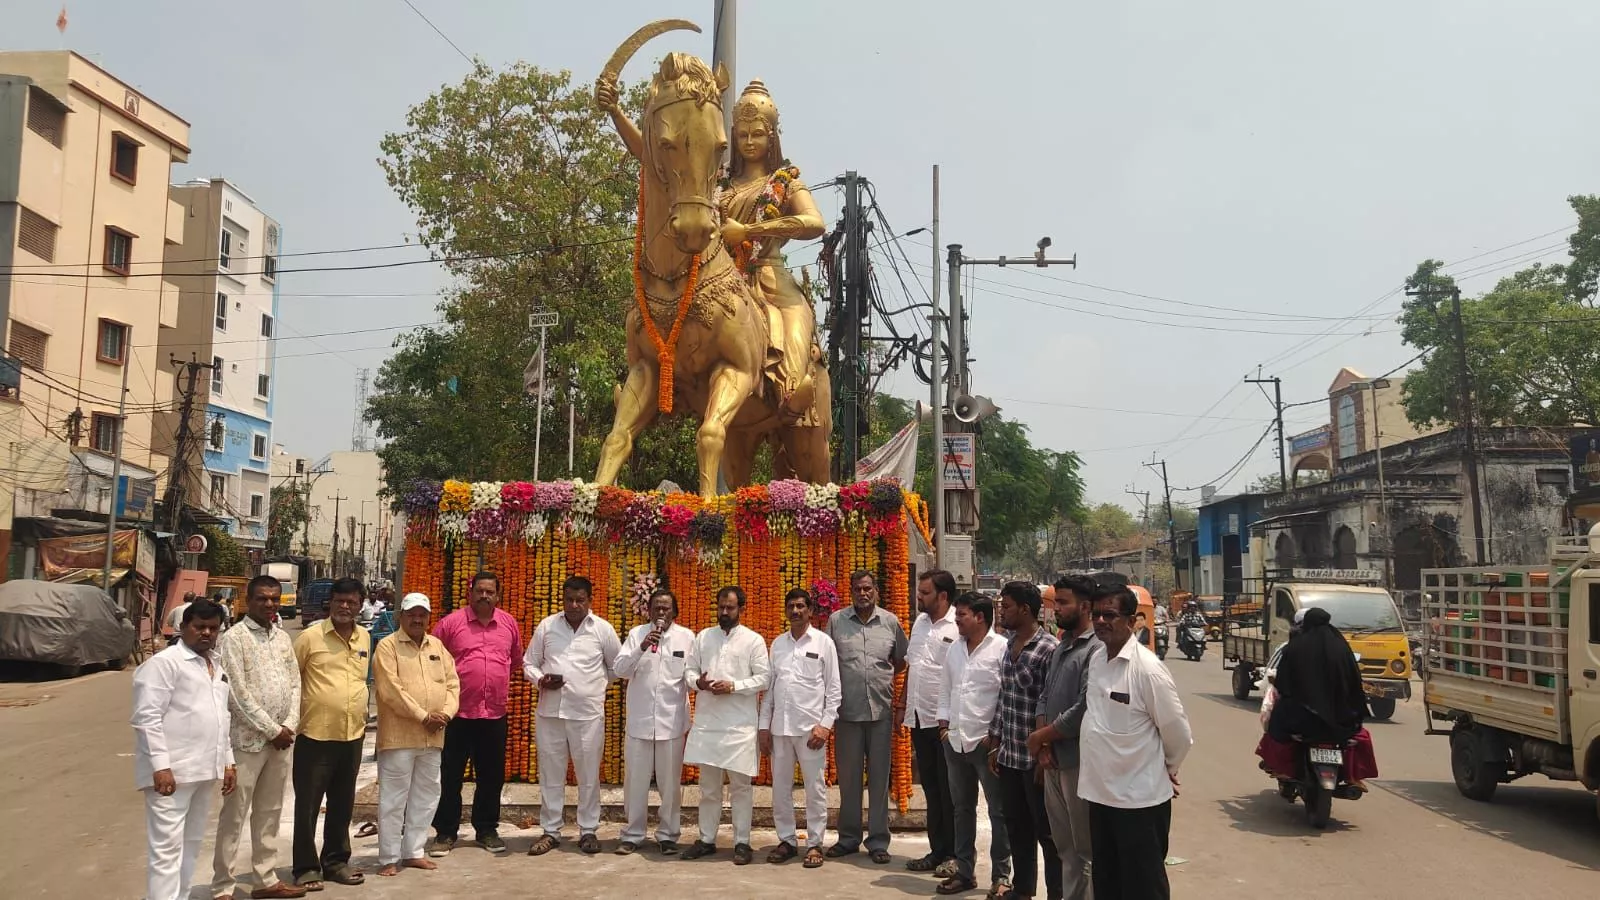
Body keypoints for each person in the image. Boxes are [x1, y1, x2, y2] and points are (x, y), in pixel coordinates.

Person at [1079, 583, 1193, 900]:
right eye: (1097, 614)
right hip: (1100, 795)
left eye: (1110, 615)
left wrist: (1165, 767)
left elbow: (1178, 733)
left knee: (1143, 886)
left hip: (1138, 802)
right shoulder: (1097, 660)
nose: (1101, 621)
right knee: (1108, 881)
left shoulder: (1148, 670)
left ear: (1132, 621)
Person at [132, 599, 236, 900]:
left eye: (213, 628)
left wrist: (228, 762)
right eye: (199, 627)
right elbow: (146, 718)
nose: (206, 633)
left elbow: (221, 717)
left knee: (191, 844)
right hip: (172, 774)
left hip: (205, 770)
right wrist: (160, 766)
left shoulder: (214, 664)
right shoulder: (164, 664)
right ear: (183, 627)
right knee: (166, 850)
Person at [211, 576, 307, 900]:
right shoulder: (233, 639)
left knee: (270, 812)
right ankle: (223, 886)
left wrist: (290, 724)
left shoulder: (281, 638)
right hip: (248, 741)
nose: (268, 604)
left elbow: (295, 684)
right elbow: (236, 694)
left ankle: (265, 880)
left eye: (274, 599)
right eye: (262, 599)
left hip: (281, 741)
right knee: (234, 814)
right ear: (248, 600)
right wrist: (272, 729)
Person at [524, 575, 621, 856]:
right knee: (551, 774)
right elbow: (529, 662)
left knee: (588, 774)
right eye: (569, 599)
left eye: (580, 600)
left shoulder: (602, 629)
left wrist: (595, 684)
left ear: (590, 601)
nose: (574, 605)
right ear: (563, 599)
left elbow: (618, 667)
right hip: (550, 713)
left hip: (587, 714)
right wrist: (541, 679)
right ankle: (551, 831)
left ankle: (588, 830)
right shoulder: (548, 626)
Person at [430, 571, 523, 856]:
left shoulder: (508, 624)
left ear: (498, 595)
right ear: (470, 593)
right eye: (479, 590)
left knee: (491, 776)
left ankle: (486, 829)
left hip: (494, 714)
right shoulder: (450, 624)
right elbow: (431, 658)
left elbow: (515, 661)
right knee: (450, 775)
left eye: (489, 592)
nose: (484, 596)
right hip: (457, 714)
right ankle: (445, 833)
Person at [291, 577, 372, 890]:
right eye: (340, 601)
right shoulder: (310, 638)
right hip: (315, 736)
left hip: (352, 736)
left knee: (342, 804)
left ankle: (336, 862)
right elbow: (291, 679)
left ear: (360, 604)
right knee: (307, 806)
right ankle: (305, 867)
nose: (345, 607)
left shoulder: (364, 637)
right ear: (330, 602)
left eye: (351, 602)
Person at [681, 585, 771, 865]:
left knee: (741, 788)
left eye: (730, 607)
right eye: (721, 607)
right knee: (708, 788)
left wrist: (734, 686)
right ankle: (707, 839)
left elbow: (764, 679)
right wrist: (699, 683)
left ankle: (742, 842)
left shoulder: (753, 640)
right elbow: (688, 671)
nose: (724, 612)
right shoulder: (703, 637)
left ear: (740, 608)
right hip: (708, 723)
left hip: (739, 726)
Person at [824, 570, 909, 866]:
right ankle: (848, 838)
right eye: (857, 589)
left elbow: (900, 661)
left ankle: (877, 840)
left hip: (881, 713)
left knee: (879, 779)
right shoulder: (836, 622)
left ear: (876, 591)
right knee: (848, 780)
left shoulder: (890, 622)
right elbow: (827, 663)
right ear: (850, 591)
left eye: (867, 588)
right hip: (846, 713)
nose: (863, 593)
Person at [373, 593, 460, 877]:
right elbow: (390, 691)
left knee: (426, 795)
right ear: (401, 616)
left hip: (433, 737)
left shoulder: (437, 645)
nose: (417, 618)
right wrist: (424, 716)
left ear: (429, 617)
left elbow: (452, 684)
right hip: (400, 737)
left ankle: (413, 851)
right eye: (411, 613)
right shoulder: (388, 646)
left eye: (422, 614)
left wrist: (446, 714)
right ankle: (388, 856)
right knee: (393, 799)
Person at [1026, 575, 1101, 900]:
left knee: (1085, 851)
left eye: (1063, 603)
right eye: (1056, 602)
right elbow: (1044, 695)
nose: (1056, 609)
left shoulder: (1095, 649)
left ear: (1085, 607)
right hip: (1052, 760)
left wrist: (1042, 736)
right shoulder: (1062, 646)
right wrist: (1043, 744)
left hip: (1077, 763)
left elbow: (1083, 708)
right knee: (1064, 848)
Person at [987, 581, 1061, 900]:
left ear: (1026, 610)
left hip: (1035, 761)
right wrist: (996, 743)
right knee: (1017, 827)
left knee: (1046, 833)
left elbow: (1051, 705)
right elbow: (1005, 696)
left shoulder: (1048, 650)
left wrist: (1045, 753)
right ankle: (1023, 890)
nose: (1001, 611)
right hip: (1009, 755)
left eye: (1006, 606)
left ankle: (1057, 893)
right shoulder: (1008, 643)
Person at [936, 592, 1012, 897]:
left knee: (999, 812)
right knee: (962, 809)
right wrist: (943, 727)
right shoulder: (955, 649)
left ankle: (1001, 876)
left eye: (962, 615)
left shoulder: (1002, 649)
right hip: (954, 741)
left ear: (980, 617)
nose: (956, 620)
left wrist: (995, 738)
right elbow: (946, 689)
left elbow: (1007, 698)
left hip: (987, 744)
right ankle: (965, 872)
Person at [759, 588, 842, 868]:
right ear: (786, 611)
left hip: (811, 732)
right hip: (780, 729)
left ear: (810, 611)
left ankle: (815, 843)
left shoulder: (823, 643)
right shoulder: (778, 645)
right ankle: (786, 840)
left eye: (800, 606)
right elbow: (770, 690)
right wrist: (764, 726)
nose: (795, 611)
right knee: (780, 788)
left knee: (814, 789)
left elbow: (834, 689)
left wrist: (825, 726)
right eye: (791, 606)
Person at [612, 588, 695, 855]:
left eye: (666, 608)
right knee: (635, 782)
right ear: (649, 611)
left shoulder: (687, 637)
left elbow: (690, 677)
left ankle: (668, 834)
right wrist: (642, 647)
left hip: (671, 723)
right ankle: (633, 834)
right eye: (656, 608)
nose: (661, 613)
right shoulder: (637, 634)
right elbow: (620, 670)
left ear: (675, 612)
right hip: (640, 722)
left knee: (670, 784)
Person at [1258, 607, 1376, 788]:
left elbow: (1283, 683)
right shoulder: (1341, 648)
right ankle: (1353, 775)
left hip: (1302, 720)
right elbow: (1354, 683)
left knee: (1277, 721)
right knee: (1359, 734)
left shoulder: (1296, 647)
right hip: (1340, 722)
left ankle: (1281, 768)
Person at [903, 569, 960, 878]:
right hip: (919, 718)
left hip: (944, 723)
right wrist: (902, 705)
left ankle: (954, 854)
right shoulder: (920, 623)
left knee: (951, 791)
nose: (918, 597)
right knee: (932, 789)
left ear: (943, 596)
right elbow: (913, 667)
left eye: (924, 593)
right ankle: (937, 850)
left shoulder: (958, 625)